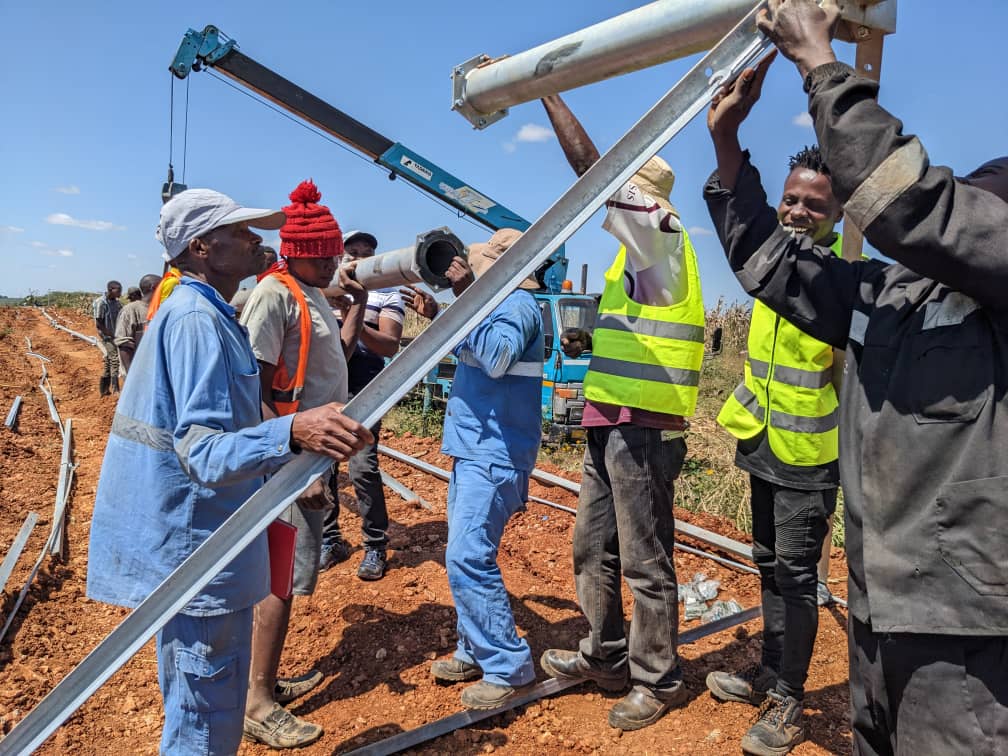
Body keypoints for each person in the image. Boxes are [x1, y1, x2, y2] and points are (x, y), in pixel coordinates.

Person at [706, 1, 1008, 753]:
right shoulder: (891, 294)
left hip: (967, 623)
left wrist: (819, 65)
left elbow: (911, 206)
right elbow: (772, 267)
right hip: (881, 605)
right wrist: (727, 148)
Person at [86, 188, 372, 756]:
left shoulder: (209, 312)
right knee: (205, 720)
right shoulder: (196, 320)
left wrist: (286, 476)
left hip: (206, 541)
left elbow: (230, 429)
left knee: (204, 702)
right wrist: (293, 434)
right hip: (201, 550)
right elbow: (205, 453)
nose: (256, 240)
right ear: (200, 247)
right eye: (240, 233)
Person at [536, 94, 705, 731]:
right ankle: (605, 655)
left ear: (647, 198)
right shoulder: (633, 258)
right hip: (609, 419)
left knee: (643, 554)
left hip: (643, 425)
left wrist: (547, 90)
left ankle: (658, 678)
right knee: (592, 544)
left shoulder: (659, 235)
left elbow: (593, 172)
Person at [705, 142, 844, 753]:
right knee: (766, 563)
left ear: (838, 214)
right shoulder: (772, 269)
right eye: (791, 199)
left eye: (815, 205)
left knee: (796, 576)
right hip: (763, 442)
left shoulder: (840, 285)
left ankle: (790, 699)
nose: (797, 212)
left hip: (810, 459)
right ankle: (769, 675)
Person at [239, 180, 367, 749]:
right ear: (301, 252)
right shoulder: (274, 294)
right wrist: (292, 467)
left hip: (309, 453)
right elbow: (252, 389)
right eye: (328, 255)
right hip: (287, 455)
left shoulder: (309, 292)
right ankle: (257, 702)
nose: (335, 262)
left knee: (287, 575)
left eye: (336, 254)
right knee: (278, 578)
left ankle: (260, 680)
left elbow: (325, 361)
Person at [428, 229, 544, 710]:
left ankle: (507, 665)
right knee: (466, 554)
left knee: (467, 556)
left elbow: (496, 359)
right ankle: (474, 649)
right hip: (476, 449)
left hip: (495, 454)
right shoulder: (495, 305)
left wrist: (462, 297)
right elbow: (476, 355)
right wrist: (443, 314)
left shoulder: (517, 306)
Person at [319, 230, 404, 580]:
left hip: (364, 391)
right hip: (325, 388)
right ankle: (330, 539)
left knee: (362, 468)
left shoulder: (387, 293)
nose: (357, 258)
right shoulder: (326, 288)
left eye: (365, 252)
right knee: (323, 468)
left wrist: (357, 315)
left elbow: (389, 345)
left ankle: (374, 545)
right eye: (351, 252)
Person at [114, 274, 161, 375]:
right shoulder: (130, 311)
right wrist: (132, 377)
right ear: (154, 287)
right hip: (139, 373)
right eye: (163, 285)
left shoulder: (162, 308)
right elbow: (124, 344)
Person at [92, 280, 123, 396]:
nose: (120, 293)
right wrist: (110, 335)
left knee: (109, 361)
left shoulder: (117, 303)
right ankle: (115, 389)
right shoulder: (101, 303)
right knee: (115, 359)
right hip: (107, 336)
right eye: (118, 290)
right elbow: (99, 323)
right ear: (111, 290)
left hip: (115, 335)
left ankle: (104, 390)